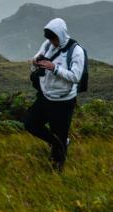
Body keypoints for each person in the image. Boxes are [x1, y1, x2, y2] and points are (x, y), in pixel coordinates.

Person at [25, 17, 85, 171]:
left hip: (63, 102)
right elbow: (37, 56)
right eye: (50, 39)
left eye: (55, 38)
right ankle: (59, 143)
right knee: (30, 123)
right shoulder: (48, 44)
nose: (53, 42)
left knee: (58, 143)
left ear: (62, 35)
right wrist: (36, 61)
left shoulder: (76, 51)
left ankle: (57, 171)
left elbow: (75, 77)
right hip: (46, 96)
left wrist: (54, 68)